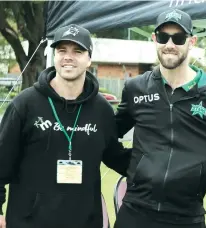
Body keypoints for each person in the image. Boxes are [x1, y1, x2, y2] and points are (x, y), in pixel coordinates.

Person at [0, 24, 130, 228]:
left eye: (77, 51)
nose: (68, 57)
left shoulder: (101, 109)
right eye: (62, 50)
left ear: (89, 59)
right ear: (54, 55)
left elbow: (115, 156)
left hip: (84, 221)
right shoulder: (25, 105)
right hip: (29, 222)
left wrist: (158, 160)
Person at [114, 8, 206, 228]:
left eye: (178, 38)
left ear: (192, 42)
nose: (170, 44)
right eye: (163, 37)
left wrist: (196, 177)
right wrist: (138, 168)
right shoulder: (136, 88)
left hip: (187, 216)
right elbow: (108, 136)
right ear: (154, 39)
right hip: (135, 211)